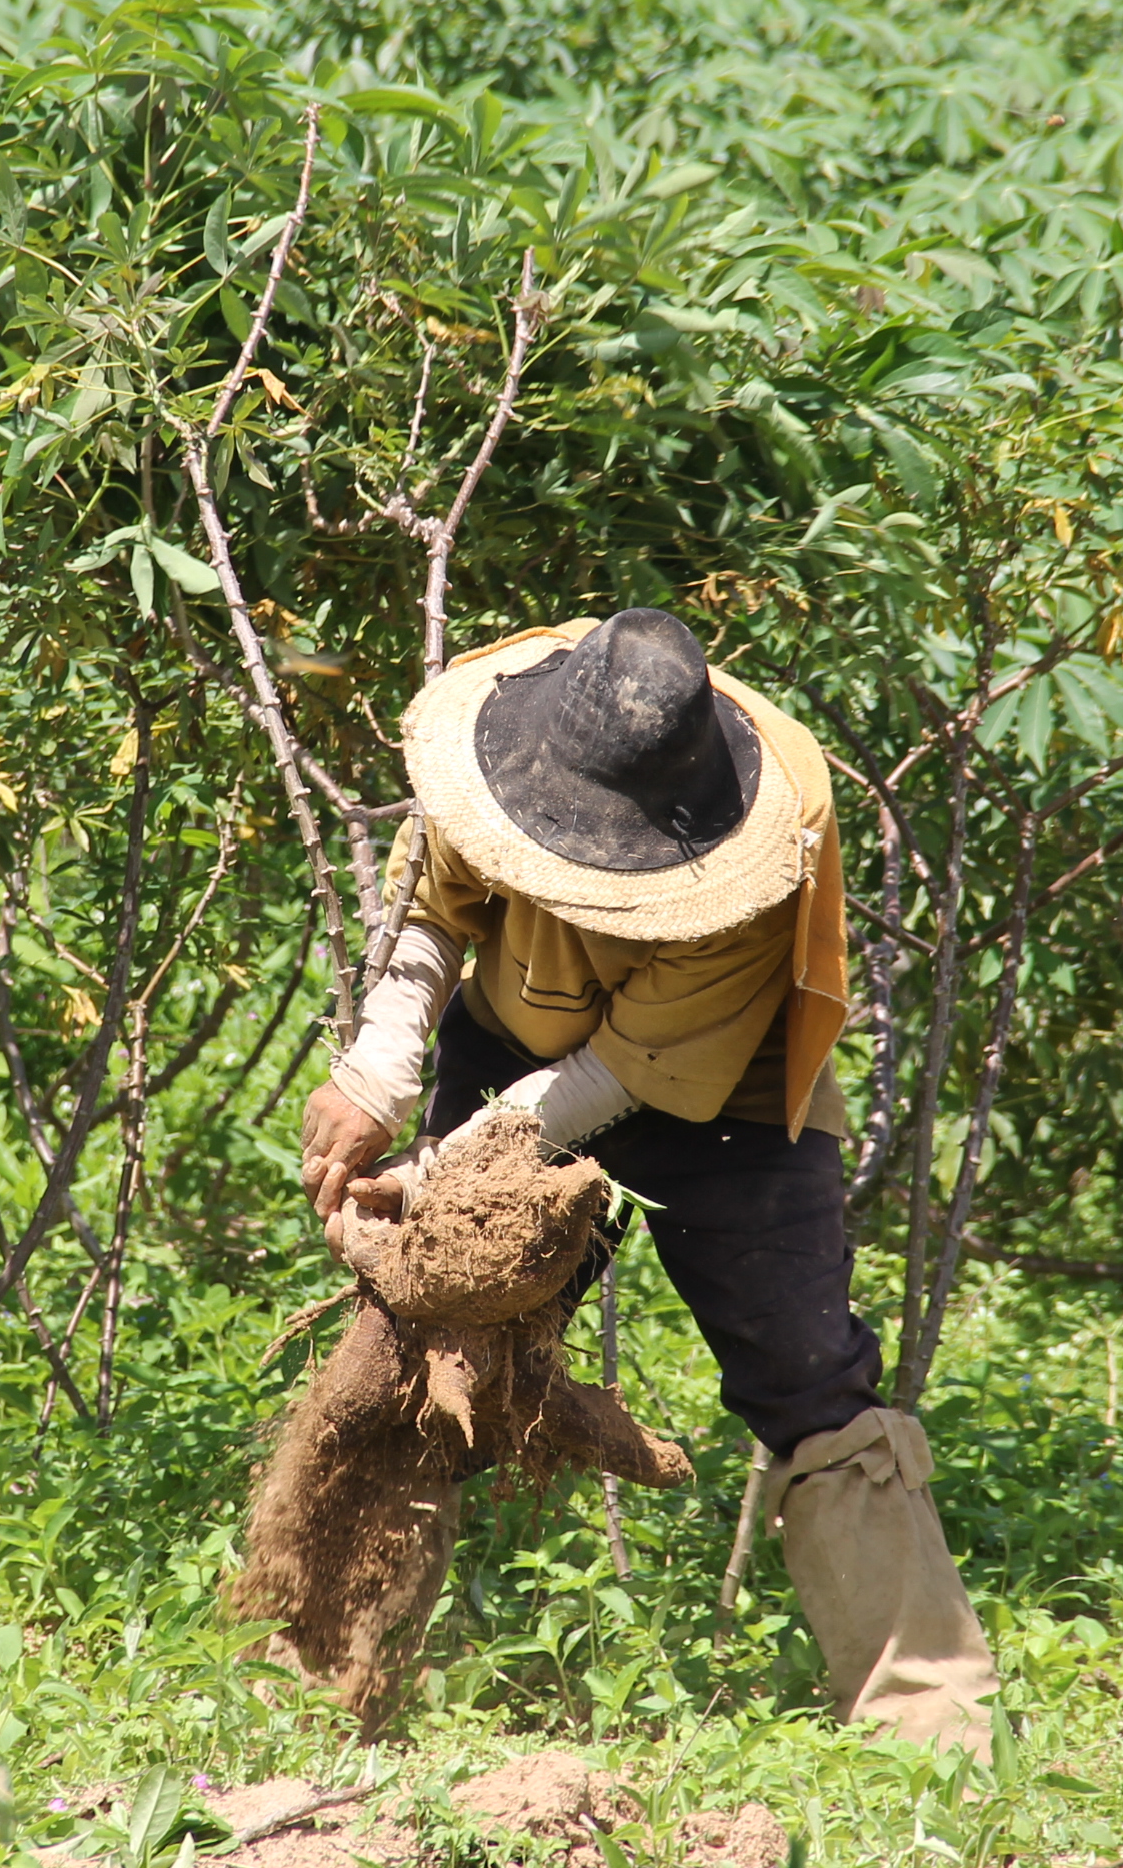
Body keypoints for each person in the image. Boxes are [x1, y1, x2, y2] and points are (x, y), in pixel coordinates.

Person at [299, 607, 999, 1751]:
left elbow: (617, 1071)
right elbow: (431, 906)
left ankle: (931, 1722)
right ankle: (328, 1673)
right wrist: (379, 1069)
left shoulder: (765, 840)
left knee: (809, 1376)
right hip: (515, 1046)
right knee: (421, 1344)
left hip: (725, 1099)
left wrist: (446, 1165)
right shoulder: (508, 729)